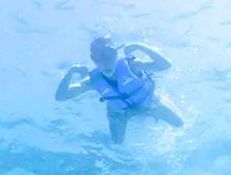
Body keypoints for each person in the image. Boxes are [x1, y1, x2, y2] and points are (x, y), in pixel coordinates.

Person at [56, 36, 184, 144]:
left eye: (110, 54)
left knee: (179, 123)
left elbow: (166, 65)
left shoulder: (132, 66)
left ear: (117, 53)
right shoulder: (92, 82)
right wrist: (70, 73)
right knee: (117, 144)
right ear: (93, 60)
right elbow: (61, 97)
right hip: (119, 113)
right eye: (99, 58)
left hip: (149, 102)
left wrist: (140, 46)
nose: (106, 62)